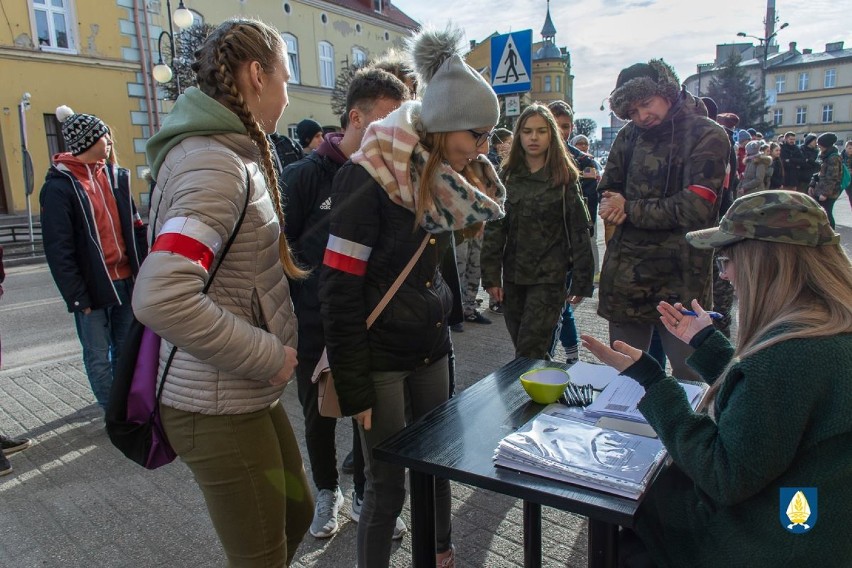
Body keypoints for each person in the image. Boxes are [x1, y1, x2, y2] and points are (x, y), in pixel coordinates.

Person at [581, 190, 852, 567]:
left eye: (727, 260)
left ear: (764, 262)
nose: (723, 273)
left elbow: (722, 475)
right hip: (815, 525)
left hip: (770, 542)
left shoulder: (791, 354)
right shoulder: (826, 326)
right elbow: (770, 403)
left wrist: (656, 385)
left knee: (632, 510)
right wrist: (706, 344)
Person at [319, 26, 505, 568]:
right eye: (477, 134)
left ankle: (439, 552)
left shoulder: (440, 176)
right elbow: (339, 288)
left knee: (440, 465)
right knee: (386, 486)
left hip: (430, 347)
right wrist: (353, 386)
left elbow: (439, 264)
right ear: (446, 124)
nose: (483, 147)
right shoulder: (370, 177)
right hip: (378, 363)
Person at [133, 19, 313, 566]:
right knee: (262, 553)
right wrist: (270, 355)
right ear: (256, 75)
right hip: (214, 403)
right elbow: (162, 296)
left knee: (296, 512)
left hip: (239, 390)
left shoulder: (228, 153)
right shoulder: (214, 163)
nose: (288, 95)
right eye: (285, 77)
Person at [281, 67, 409, 539]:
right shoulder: (303, 176)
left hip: (369, 325)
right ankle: (326, 492)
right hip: (315, 325)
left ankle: (363, 496)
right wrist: (301, 305)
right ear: (357, 117)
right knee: (318, 417)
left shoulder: (392, 174)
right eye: (389, 119)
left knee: (364, 410)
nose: (400, 131)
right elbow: (281, 248)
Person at [597, 58, 729, 381]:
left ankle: (690, 433)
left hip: (683, 281)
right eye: (632, 112)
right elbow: (608, 189)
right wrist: (611, 204)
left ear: (667, 91)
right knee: (626, 378)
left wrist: (630, 209)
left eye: (645, 103)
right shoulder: (628, 136)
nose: (642, 117)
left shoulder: (708, 135)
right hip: (628, 279)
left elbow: (696, 209)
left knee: (692, 377)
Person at [39, 106, 148, 410]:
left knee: (126, 349)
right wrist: (76, 296)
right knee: (98, 354)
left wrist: (144, 269)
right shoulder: (59, 188)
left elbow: (137, 229)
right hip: (93, 288)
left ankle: (127, 404)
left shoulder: (115, 178)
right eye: (104, 135)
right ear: (90, 140)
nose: (109, 141)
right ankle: (112, 410)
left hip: (125, 281)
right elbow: (59, 249)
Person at [481, 103, 594, 360]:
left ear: (551, 135)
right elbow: (495, 229)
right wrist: (491, 278)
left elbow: (579, 230)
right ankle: (546, 390)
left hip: (549, 279)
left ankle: (529, 396)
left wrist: (582, 280)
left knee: (530, 351)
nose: (533, 137)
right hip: (514, 278)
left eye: (541, 131)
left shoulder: (564, 177)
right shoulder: (507, 176)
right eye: (527, 131)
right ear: (519, 134)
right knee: (527, 348)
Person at [808, 132, 843, 228]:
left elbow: (832, 177)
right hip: (820, 188)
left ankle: (831, 234)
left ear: (826, 145)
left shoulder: (834, 158)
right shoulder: (824, 155)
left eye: (820, 144)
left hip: (829, 192)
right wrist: (812, 184)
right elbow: (818, 173)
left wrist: (825, 193)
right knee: (820, 213)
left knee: (827, 213)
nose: (818, 146)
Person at [843, 139, 852, 209]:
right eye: (849, 148)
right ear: (845, 148)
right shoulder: (840, 157)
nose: (851, 150)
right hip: (844, 179)